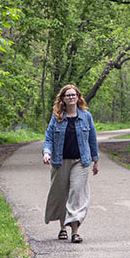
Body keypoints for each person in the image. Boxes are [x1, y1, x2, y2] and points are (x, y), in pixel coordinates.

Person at [42, 84, 99, 243]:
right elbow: (49, 138)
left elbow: (92, 139)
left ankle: (75, 232)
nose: (71, 97)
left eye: (74, 95)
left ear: (78, 97)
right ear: (63, 99)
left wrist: (96, 160)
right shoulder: (57, 117)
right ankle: (62, 228)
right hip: (59, 162)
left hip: (81, 162)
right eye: (68, 95)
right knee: (61, 194)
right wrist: (47, 152)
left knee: (77, 193)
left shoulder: (86, 116)